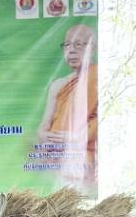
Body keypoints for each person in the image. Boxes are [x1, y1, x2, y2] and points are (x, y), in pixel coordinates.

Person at [34, 22, 98, 191]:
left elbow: (101, 122)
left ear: (92, 48)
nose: (71, 50)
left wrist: (74, 138)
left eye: (78, 45)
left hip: (84, 159)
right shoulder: (58, 84)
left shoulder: (99, 80)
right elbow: (45, 122)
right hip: (56, 157)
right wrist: (43, 134)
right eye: (67, 45)